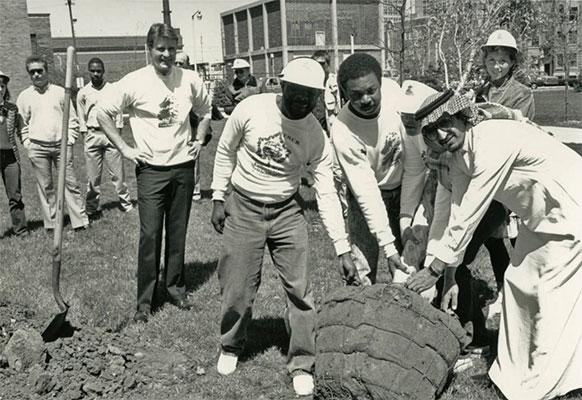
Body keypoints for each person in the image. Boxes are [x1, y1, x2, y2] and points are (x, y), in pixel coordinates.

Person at [407, 92, 582, 400]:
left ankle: (539, 387)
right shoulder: (459, 157)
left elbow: (473, 209)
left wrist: (433, 270)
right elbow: (458, 216)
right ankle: (510, 375)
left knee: (549, 296)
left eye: (445, 123)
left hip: (571, 211)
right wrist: (449, 277)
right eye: (431, 132)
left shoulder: (490, 140)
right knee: (518, 283)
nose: (441, 135)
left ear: (462, 117)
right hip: (538, 219)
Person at [210, 57, 358, 396]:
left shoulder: (315, 135)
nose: (302, 100)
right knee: (237, 286)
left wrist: (342, 247)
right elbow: (224, 151)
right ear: (282, 84)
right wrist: (219, 196)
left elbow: (325, 192)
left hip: (286, 210)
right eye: (297, 91)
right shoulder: (251, 109)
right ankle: (231, 345)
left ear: (320, 96)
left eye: (311, 95)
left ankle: (302, 362)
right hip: (244, 206)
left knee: (300, 291)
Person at [96, 23, 212, 323]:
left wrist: (199, 139)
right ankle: (145, 303)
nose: (166, 54)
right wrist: (125, 148)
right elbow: (102, 113)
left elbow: (206, 110)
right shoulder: (134, 81)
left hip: (183, 168)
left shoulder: (189, 79)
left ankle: (175, 289)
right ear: (150, 49)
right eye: (160, 48)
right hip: (150, 171)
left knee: (178, 233)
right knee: (150, 236)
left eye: (171, 48)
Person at [399, 81, 508, 354]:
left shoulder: (470, 145)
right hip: (467, 203)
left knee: (457, 260)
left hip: (493, 201)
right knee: (453, 261)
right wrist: (443, 271)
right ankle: (470, 334)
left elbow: (466, 214)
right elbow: (446, 208)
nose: (439, 135)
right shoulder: (439, 154)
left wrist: (438, 270)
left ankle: (472, 339)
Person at [330, 53, 407, 285]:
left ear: (382, 85)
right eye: (356, 95)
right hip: (367, 198)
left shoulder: (397, 96)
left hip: (405, 190)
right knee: (362, 271)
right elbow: (366, 191)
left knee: (407, 267)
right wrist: (387, 245)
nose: (366, 99)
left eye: (371, 91)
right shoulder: (343, 130)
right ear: (344, 93)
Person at [17, 56, 89, 232]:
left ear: (46, 70)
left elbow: (72, 119)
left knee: (70, 183)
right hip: (38, 148)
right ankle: (51, 223)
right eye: (32, 72)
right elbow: (22, 125)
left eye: (39, 70)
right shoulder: (25, 96)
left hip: (61, 146)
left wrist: (70, 140)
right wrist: (28, 143)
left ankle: (79, 221)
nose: (36, 74)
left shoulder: (60, 92)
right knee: (45, 186)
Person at [77, 58, 133, 218]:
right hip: (92, 134)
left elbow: (119, 112)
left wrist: (118, 131)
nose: (96, 74)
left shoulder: (112, 89)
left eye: (99, 71)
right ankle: (91, 208)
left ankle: (126, 204)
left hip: (110, 135)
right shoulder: (83, 93)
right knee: (93, 177)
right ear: (88, 71)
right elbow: (81, 115)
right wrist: (84, 132)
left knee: (118, 175)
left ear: (103, 71)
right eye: (93, 71)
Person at [174, 51, 209, 201]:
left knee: (193, 157)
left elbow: (203, 108)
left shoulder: (194, 81)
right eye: (175, 63)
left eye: (180, 63)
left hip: (192, 124)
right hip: (175, 127)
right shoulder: (171, 80)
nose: (177, 66)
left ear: (188, 65)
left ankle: (195, 190)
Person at [0, 70, 28, 236]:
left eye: (2, 86)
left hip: (10, 158)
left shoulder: (12, 109)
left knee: (15, 194)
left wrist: (29, 143)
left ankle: (21, 230)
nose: (0, 89)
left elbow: (21, 130)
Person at [311, 50, 341, 134]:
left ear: (328, 65)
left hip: (330, 126)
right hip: (312, 127)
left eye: (322, 63)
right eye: (316, 64)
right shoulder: (308, 82)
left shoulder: (335, 81)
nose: (319, 66)